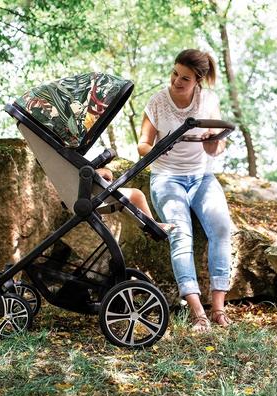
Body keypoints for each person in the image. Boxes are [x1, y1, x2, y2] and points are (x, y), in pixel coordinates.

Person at [137, 49, 232, 331]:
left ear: (198, 80)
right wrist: (156, 150)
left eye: (185, 78)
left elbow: (218, 146)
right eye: (175, 73)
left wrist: (212, 141)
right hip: (167, 178)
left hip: (202, 177)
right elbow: (142, 144)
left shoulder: (208, 100)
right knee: (180, 233)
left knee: (221, 228)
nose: (176, 81)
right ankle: (197, 312)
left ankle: (218, 309)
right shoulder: (158, 101)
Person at [95, 167, 174, 233]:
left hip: (96, 198)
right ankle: (153, 225)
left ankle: (151, 225)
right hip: (96, 197)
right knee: (136, 195)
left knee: (125, 203)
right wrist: (104, 171)